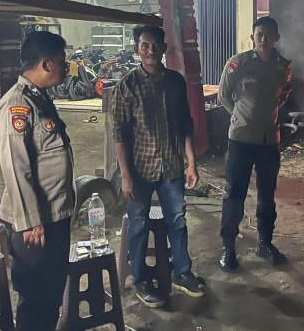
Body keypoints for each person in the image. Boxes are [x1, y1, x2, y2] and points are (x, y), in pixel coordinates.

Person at [111, 25, 206, 308]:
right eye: (145, 45)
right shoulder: (127, 85)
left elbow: (185, 125)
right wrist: (125, 176)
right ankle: (140, 280)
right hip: (139, 170)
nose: (150, 51)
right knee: (138, 224)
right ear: (136, 49)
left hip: (171, 166)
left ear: (164, 49)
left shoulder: (175, 82)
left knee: (177, 220)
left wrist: (191, 163)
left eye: (155, 45)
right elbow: (119, 133)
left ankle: (182, 273)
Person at [0, 31, 75, 331]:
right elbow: (16, 167)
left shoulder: (39, 98)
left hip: (54, 215)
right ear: (46, 64)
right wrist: (30, 222)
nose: (66, 68)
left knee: (51, 295)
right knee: (35, 299)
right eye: (62, 62)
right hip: (35, 225)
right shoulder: (17, 105)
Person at [217, 16, 293, 271]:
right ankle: (228, 248)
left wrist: (267, 118)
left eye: (269, 36)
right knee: (234, 194)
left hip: (269, 141)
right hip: (241, 139)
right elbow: (223, 95)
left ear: (276, 38)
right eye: (259, 35)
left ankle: (265, 243)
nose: (263, 40)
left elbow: (284, 95)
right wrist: (239, 116)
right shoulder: (238, 63)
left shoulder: (283, 66)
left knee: (267, 196)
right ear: (253, 37)